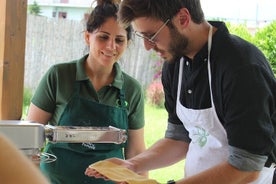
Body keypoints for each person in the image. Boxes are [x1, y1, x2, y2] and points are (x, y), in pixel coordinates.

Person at [85, 0, 276, 183]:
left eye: (151, 35)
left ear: (183, 18)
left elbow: (247, 167)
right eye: (143, 37)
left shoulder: (241, 68)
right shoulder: (175, 65)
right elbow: (179, 138)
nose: (147, 46)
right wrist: (132, 165)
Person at [26, 0, 146, 183]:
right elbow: (31, 140)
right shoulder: (59, 76)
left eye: (119, 40)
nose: (111, 46)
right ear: (88, 37)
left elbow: (136, 152)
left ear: (127, 43)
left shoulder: (132, 89)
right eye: (103, 37)